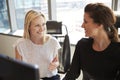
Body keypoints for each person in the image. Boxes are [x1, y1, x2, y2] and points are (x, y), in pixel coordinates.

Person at [63, 3, 120, 80]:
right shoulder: (82, 45)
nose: (82, 25)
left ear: (99, 24)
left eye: (86, 22)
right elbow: (72, 74)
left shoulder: (117, 50)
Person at [14, 10, 61, 80]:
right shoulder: (20, 45)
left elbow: (57, 61)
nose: (42, 29)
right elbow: (19, 70)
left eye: (43, 24)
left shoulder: (53, 42)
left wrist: (55, 64)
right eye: (37, 25)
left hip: (50, 77)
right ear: (28, 27)